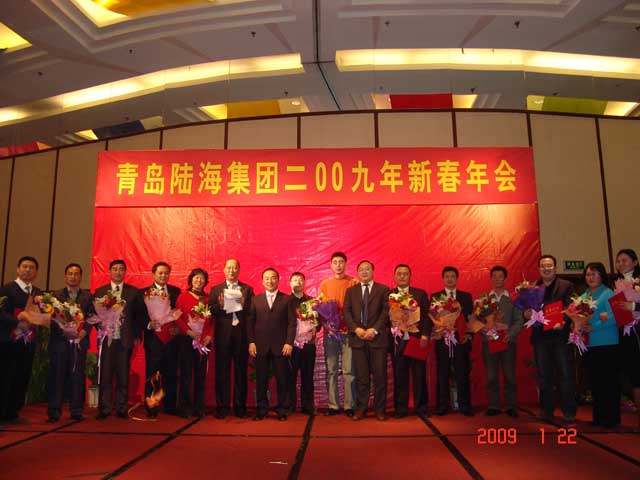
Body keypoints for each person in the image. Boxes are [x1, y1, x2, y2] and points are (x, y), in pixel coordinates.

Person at [524, 254, 576, 422]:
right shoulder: (533, 287)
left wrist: (563, 319)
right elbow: (527, 310)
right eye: (543, 266)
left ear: (555, 267)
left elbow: (570, 306)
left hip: (559, 335)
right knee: (544, 375)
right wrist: (526, 314)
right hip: (540, 337)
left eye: (549, 266)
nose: (546, 269)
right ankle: (546, 410)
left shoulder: (566, 285)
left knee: (565, 374)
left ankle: (569, 411)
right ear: (539, 269)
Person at [343, 260, 390, 421]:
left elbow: (386, 312)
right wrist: (356, 329)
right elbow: (347, 312)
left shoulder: (383, 290)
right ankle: (361, 408)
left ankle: (380, 410)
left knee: (380, 377)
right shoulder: (351, 291)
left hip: (378, 340)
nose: (364, 272)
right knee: (361, 377)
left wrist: (374, 329)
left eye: (367, 269)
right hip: (358, 339)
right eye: (361, 269)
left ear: (373, 271)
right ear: (357, 273)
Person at [94, 259, 141, 419]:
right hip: (106, 339)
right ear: (110, 271)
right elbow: (94, 315)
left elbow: (137, 316)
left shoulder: (133, 292)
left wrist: (137, 336)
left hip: (124, 339)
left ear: (125, 272)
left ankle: (121, 407)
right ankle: (105, 408)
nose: (118, 272)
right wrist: (101, 327)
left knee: (123, 375)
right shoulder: (100, 291)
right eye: (115, 269)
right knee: (105, 375)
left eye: (121, 269)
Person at [47, 263, 93, 422]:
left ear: (81, 277)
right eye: (70, 273)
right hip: (59, 342)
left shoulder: (88, 296)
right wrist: (64, 330)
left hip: (79, 341)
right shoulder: (55, 295)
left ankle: (76, 410)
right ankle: (54, 411)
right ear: (65, 276)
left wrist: (84, 331)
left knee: (78, 375)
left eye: (76, 274)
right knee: (57, 375)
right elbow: (50, 318)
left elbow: (92, 317)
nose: (73, 276)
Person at [247, 268, 295, 421]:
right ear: (262, 281)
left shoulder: (287, 299)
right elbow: (250, 323)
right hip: (260, 346)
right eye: (267, 278)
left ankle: (282, 409)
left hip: (281, 346)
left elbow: (292, 323)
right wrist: (251, 342)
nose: (270, 281)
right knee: (261, 379)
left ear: (278, 280)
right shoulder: (255, 300)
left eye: (273, 278)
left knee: (282, 379)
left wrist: (289, 342)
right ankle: (261, 409)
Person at [209, 258, 254, 419]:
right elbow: (210, 310)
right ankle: (222, 406)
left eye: (234, 268)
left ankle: (240, 407)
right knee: (222, 372)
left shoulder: (247, 289)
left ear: (239, 270)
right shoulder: (216, 289)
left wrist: (243, 305)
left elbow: (251, 313)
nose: (231, 271)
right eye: (229, 268)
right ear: (224, 270)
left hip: (241, 335)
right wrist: (220, 306)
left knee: (241, 372)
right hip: (223, 336)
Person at [0, 256, 41, 425]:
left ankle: (13, 413)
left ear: (36, 272)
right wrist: (17, 323)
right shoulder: (7, 289)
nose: (27, 270)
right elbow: (1, 313)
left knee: (21, 376)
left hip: (27, 342)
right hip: (8, 341)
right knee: (5, 377)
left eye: (31, 267)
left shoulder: (38, 293)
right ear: (18, 269)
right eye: (24, 266)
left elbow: (42, 314)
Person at [138, 261, 181, 418]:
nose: (163, 276)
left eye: (166, 273)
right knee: (152, 374)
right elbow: (138, 315)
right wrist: (149, 324)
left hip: (170, 339)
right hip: (153, 340)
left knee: (170, 373)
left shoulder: (175, 292)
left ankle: (170, 406)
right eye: (160, 273)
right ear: (153, 274)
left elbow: (180, 312)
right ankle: (151, 406)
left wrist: (177, 328)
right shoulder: (144, 293)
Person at [579, 262, 619, 427]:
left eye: (594, 274)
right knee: (595, 383)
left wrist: (593, 327)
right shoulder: (584, 296)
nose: (591, 278)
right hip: (590, 344)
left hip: (607, 342)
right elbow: (576, 314)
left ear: (602, 276)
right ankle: (598, 417)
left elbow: (615, 316)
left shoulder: (608, 293)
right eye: (588, 275)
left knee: (608, 382)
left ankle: (611, 419)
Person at [318, 252, 357, 417]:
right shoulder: (325, 284)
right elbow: (320, 308)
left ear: (346, 264)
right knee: (331, 370)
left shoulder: (353, 282)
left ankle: (350, 406)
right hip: (331, 334)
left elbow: (357, 307)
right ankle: (333, 405)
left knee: (349, 371)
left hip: (348, 333)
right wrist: (327, 325)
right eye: (335, 262)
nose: (338, 265)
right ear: (331, 265)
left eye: (341, 262)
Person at [481, 266, 523, 418]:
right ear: (491, 278)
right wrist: (484, 329)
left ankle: (511, 405)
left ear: (505, 279)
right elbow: (477, 320)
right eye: (495, 276)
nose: (498, 279)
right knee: (491, 376)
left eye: (501, 276)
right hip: (489, 342)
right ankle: (494, 405)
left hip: (507, 342)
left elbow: (519, 320)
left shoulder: (513, 299)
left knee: (509, 375)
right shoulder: (484, 299)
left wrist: (510, 334)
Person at [390, 264, 430, 418]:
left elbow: (427, 316)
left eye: (405, 273)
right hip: (398, 341)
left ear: (410, 276)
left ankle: (421, 408)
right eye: (399, 273)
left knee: (419, 375)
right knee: (400, 376)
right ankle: (401, 409)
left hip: (416, 340)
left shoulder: (419, 294)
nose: (402, 276)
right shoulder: (390, 295)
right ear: (395, 276)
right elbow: (385, 317)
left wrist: (425, 335)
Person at [432, 266, 474, 417]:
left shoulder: (466, 297)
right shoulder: (435, 297)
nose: (449, 279)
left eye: (452, 276)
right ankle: (442, 405)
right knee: (442, 374)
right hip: (443, 340)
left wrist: (469, 334)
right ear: (443, 279)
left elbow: (472, 318)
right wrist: (439, 330)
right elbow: (432, 319)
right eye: (447, 276)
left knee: (462, 373)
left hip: (460, 340)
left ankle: (465, 405)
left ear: (457, 279)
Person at [175, 268, 213, 419]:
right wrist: (188, 331)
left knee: (200, 375)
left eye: (202, 278)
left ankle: (199, 407)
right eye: (196, 278)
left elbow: (213, 321)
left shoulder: (208, 299)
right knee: (186, 374)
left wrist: (210, 336)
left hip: (203, 342)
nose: (199, 280)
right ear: (191, 280)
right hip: (187, 340)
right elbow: (177, 318)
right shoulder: (182, 297)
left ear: (205, 281)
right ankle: (185, 407)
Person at [612, 248, 640, 430]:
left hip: (638, 331)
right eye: (618, 261)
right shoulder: (616, 284)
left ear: (635, 262)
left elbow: (634, 305)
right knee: (633, 374)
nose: (621, 264)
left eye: (625, 260)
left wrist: (634, 306)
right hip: (625, 333)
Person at [287, 272, 316, 415]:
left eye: (300, 280)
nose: (297, 282)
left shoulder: (310, 301)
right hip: (290, 345)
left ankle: (308, 406)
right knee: (289, 376)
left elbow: (317, 321)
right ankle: (289, 405)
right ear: (290, 283)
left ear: (304, 283)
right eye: (294, 280)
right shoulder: (285, 301)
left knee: (307, 376)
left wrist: (315, 327)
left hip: (308, 344)